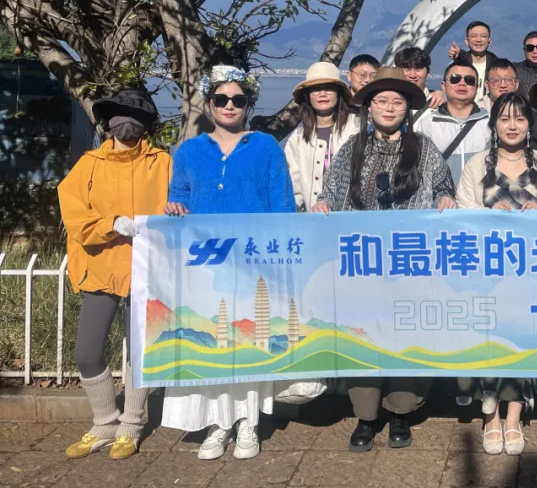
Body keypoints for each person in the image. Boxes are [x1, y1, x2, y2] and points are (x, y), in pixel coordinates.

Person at [314, 67, 455, 453]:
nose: (389, 107)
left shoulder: (423, 148)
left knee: (408, 334)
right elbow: (333, 192)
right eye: (381, 101)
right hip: (363, 262)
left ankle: (400, 411)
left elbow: (443, 186)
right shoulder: (353, 148)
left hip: (410, 260)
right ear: (369, 106)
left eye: (397, 101)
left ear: (407, 108)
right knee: (363, 334)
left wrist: (445, 198)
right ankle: (366, 415)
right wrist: (323, 204)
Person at [162, 66, 294, 461]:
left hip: (254, 264)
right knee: (212, 341)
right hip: (205, 266)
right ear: (209, 104)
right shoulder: (189, 151)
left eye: (238, 99)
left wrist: (282, 261)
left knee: (249, 341)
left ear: (249, 104)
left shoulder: (266, 146)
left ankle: (248, 422)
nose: (230, 106)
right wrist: (174, 207)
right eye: (221, 99)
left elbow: (282, 204)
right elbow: (178, 195)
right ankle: (217, 423)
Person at [58, 89, 171, 461]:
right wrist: (110, 224)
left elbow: (181, 206)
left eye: (135, 118)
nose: (127, 124)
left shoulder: (162, 163)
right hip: (101, 267)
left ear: (146, 125)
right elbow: (75, 214)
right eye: (120, 116)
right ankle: (104, 423)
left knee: (142, 352)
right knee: (86, 352)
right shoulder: (88, 164)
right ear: (108, 123)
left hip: (147, 272)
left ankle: (132, 425)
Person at [457, 92, 537, 456]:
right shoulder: (477, 164)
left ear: (528, 125)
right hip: (487, 271)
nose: (512, 125)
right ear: (494, 124)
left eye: (520, 119)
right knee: (491, 340)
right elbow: (462, 212)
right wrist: (489, 216)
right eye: (504, 118)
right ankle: (490, 417)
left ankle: (513, 417)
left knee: (521, 339)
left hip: (530, 272)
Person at [284, 62, 362, 211]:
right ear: (308, 96)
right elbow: (293, 186)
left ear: (339, 93)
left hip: (352, 216)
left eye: (329, 88)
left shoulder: (358, 127)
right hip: (314, 218)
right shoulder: (298, 138)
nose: (322, 94)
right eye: (315, 89)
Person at [414, 61, 490, 184]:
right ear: (443, 86)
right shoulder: (428, 123)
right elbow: (421, 169)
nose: (462, 83)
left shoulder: (489, 123)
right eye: (455, 79)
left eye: (469, 80)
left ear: (477, 87)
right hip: (441, 195)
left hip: (477, 195)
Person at [447, 20, 499, 93]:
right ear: (467, 41)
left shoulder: (497, 66)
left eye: (483, 36)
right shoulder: (456, 66)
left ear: (489, 42)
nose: (478, 40)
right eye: (474, 36)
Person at [394, 46, 446, 113]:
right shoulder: (387, 100)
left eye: (418, 68)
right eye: (407, 69)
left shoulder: (438, 101)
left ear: (428, 72)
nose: (412, 75)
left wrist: (444, 95)